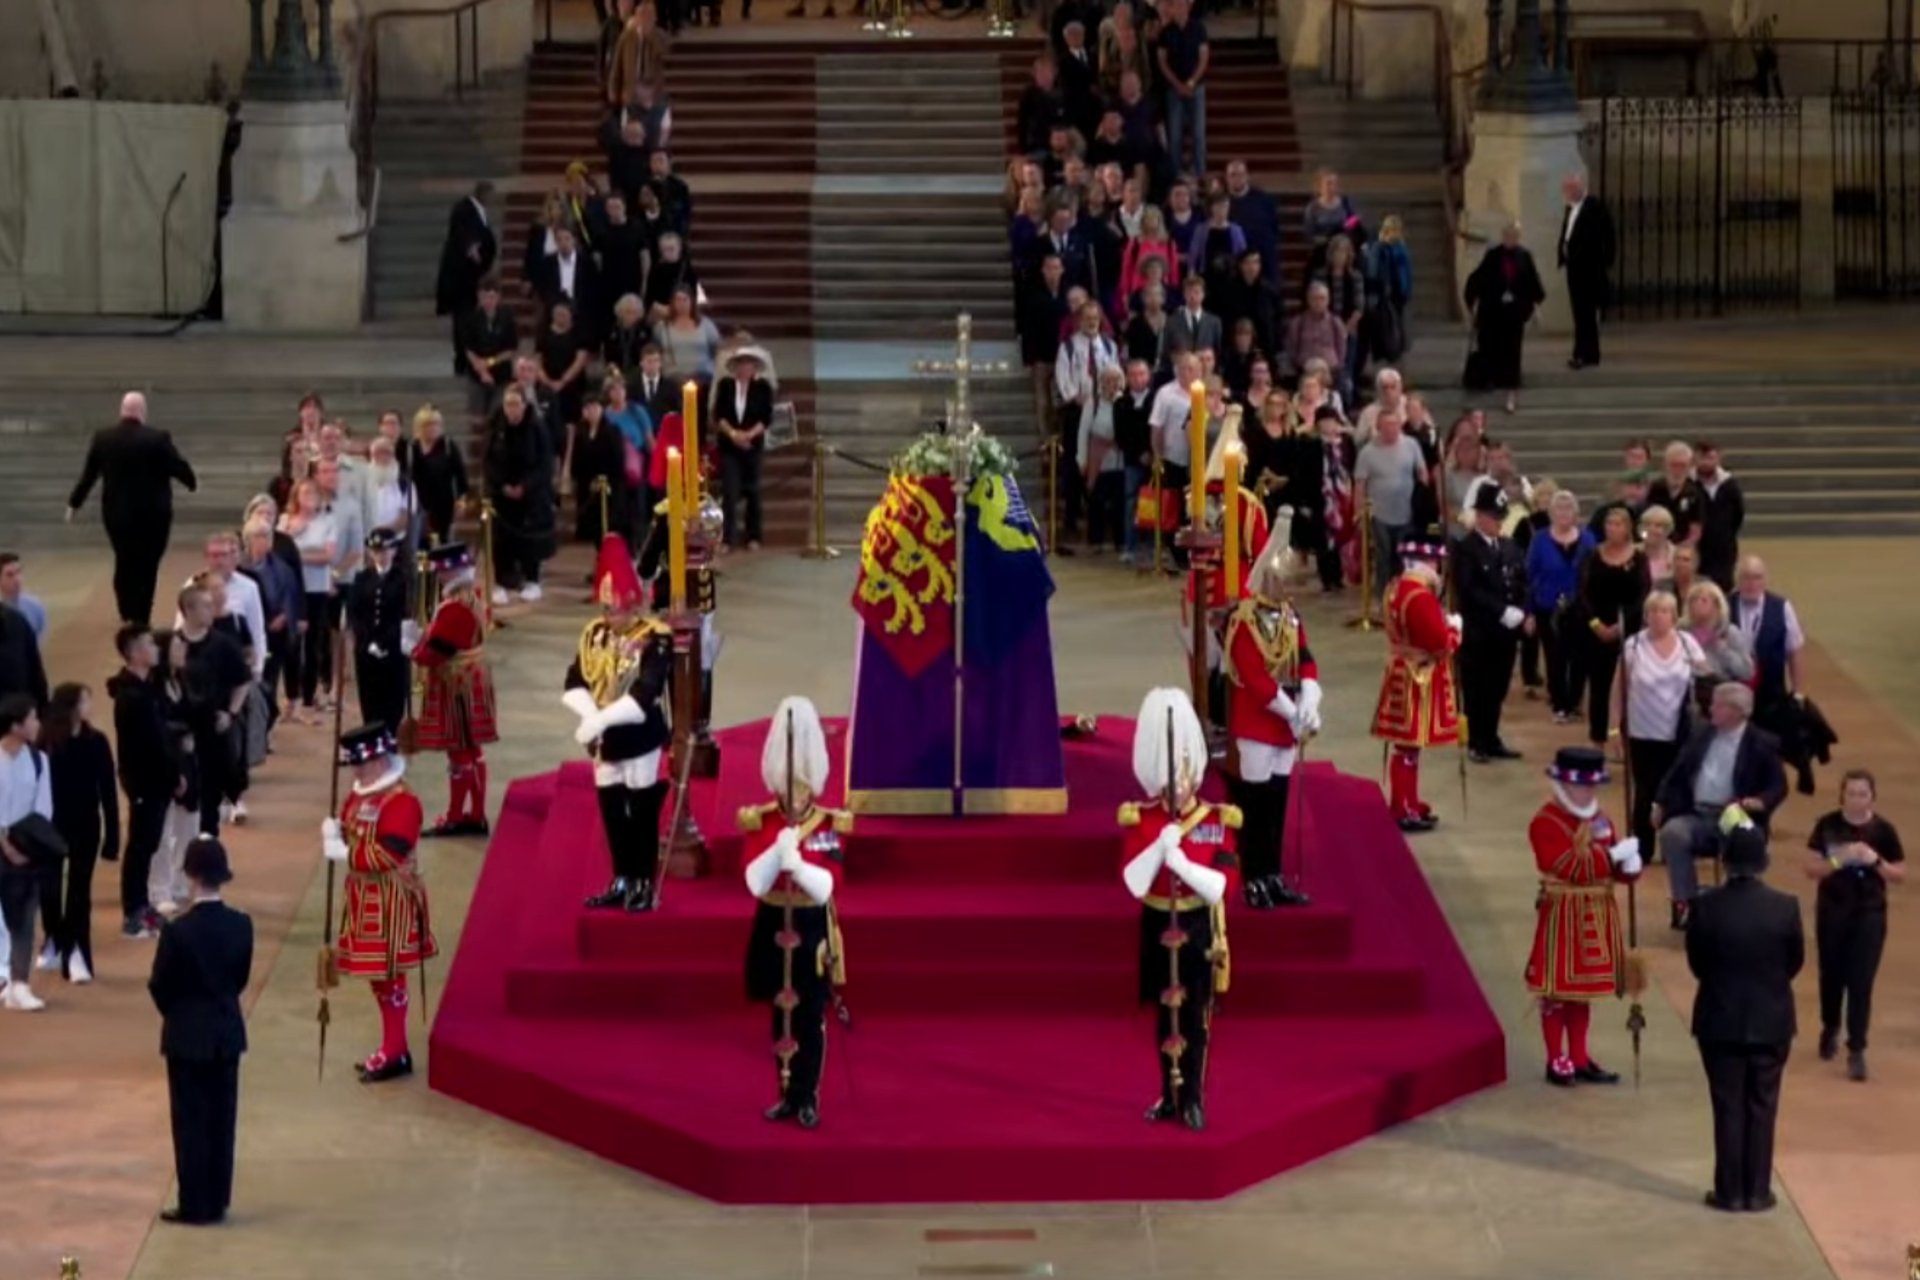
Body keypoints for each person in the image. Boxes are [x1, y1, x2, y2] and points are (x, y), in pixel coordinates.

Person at [1121, 687, 1238, 1132]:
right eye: (1170, 783)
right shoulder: (1142, 817)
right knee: (1163, 1016)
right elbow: (1133, 881)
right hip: (1155, 922)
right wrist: (1157, 850)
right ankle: (1167, 1095)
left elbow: (1221, 885)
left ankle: (1192, 1096)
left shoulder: (1215, 819)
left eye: (1183, 780)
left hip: (1195, 924)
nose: (1178, 789)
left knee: (1195, 1018)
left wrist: (1182, 863)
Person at [739, 698, 851, 1129]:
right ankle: (784, 1092)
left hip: (808, 924)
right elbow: (753, 881)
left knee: (809, 1014)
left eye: (801, 787)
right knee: (779, 1011)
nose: (794, 795)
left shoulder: (828, 825)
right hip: (772, 921)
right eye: (789, 788)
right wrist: (776, 852)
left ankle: (806, 1094)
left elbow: (828, 886)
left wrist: (798, 863)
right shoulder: (760, 820)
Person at [1687, 816, 1802, 1213]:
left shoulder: (1704, 907)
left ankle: (1729, 1192)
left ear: (1724, 860)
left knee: (1728, 1105)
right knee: (1763, 1105)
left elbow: (1697, 963)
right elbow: (1794, 963)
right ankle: (1757, 1191)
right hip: (1771, 1020)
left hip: (1719, 1019)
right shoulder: (1786, 908)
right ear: (1764, 861)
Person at [564, 537, 674, 913]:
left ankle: (643, 880)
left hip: (639, 736)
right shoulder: (594, 634)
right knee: (612, 811)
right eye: (606, 609)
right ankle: (622, 876)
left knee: (641, 811)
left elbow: (645, 693)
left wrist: (598, 720)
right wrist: (589, 718)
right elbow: (575, 680)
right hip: (604, 741)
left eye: (616, 610)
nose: (609, 617)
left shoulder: (655, 637)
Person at [322, 723, 437, 1082]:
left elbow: (391, 853)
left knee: (389, 976)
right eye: (355, 764)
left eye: (364, 763)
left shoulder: (401, 800)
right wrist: (335, 831)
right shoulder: (360, 794)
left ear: (382, 759)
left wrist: (344, 851)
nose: (357, 771)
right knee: (379, 978)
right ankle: (393, 1047)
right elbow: (351, 826)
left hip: (391, 898)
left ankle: (395, 1049)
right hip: (364, 897)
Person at [148, 838, 251, 1225]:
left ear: (190, 876)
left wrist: (178, 1013)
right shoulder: (241, 925)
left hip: (187, 1034)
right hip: (226, 1030)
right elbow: (238, 978)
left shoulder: (178, 933)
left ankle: (195, 1202)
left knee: (190, 1122)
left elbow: (160, 985)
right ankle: (218, 1197)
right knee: (223, 1118)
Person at [1526, 746, 1642, 1086]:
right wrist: (1612, 856)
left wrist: (1629, 867)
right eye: (1583, 786)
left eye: (1592, 787)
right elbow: (1566, 866)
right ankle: (1555, 1057)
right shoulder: (1545, 822)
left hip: (1596, 912)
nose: (1588, 792)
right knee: (1556, 989)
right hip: (1563, 914)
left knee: (1582, 992)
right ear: (1564, 783)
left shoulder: (1599, 818)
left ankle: (1578, 1055)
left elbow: (1611, 864)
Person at [1223, 526, 1322, 907]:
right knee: (1256, 805)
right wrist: (1291, 710)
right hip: (1257, 724)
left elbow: (1306, 658)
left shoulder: (1289, 617)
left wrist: (1310, 698)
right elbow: (1254, 678)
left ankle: (1273, 874)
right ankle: (1253, 877)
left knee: (1278, 805)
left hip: (1285, 726)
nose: (1291, 592)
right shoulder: (1244, 620)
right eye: (1286, 584)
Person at [1655, 682, 1788, 929]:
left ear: (1737, 712)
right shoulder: (1701, 733)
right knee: (1673, 833)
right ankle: (1686, 903)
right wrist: (1661, 803)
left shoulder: (1762, 743)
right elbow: (1677, 772)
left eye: (1718, 705)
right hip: (1698, 814)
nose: (1711, 708)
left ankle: (1735, 908)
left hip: (1737, 816)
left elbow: (1778, 786)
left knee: (1742, 842)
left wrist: (1761, 802)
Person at [66, 392, 200, 626]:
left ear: (122, 410)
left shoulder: (103, 438)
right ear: (142, 411)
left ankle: (126, 611)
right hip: (153, 516)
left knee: (124, 560)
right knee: (148, 565)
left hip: (117, 514)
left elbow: (89, 475)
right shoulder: (157, 438)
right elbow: (176, 466)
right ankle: (141, 615)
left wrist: (74, 503)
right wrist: (191, 482)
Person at [1805, 770, 1904, 1081]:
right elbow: (1812, 868)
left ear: (1872, 797)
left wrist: (1875, 860)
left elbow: (1898, 874)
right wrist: (1840, 860)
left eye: (1863, 794)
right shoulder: (1827, 825)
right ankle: (1830, 1024)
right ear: (1842, 795)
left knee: (1861, 981)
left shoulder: (1884, 831)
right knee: (1831, 975)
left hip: (1869, 913)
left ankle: (1857, 1047)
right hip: (1833, 911)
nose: (1857, 799)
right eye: (1851, 793)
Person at [408, 543, 499, 837]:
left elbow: (438, 651)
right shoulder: (471, 597)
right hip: (471, 679)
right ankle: (474, 813)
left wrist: (413, 649)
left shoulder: (455, 607)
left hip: (457, 683)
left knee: (459, 750)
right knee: (473, 750)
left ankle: (460, 816)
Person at [1372, 535, 1461, 832]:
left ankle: (1408, 800)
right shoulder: (1420, 595)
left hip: (1401, 670)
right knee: (1408, 749)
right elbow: (1439, 643)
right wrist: (1454, 631)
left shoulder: (1395, 587)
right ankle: (1403, 806)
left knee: (1406, 749)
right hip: (1417, 678)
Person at [35, 683, 116, 986]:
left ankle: (77, 952)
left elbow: (107, 790)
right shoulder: (46, 743)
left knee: (79, 892)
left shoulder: (96, 742)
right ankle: (54, 937)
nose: (89, 707)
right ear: (69, 706)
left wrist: (112, 837)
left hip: (86, 825)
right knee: (49, 889)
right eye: (84, 701)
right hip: (51, 826)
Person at [1617, 590, 1709, 855]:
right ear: (1646, 616)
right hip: (1642, 732)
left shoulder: (1687, 643)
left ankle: (1674, 846)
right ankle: (1642, 848)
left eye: (1665, 611)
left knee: (1675, 791)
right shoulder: (1633, 646)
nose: (1659, 617)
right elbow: (1618, 689)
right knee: (1644, 792)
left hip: (1679, 732)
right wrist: (1614, 728)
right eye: (1653, 611)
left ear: (1674, 616)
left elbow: (1706, 679)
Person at [1454, 484, 1531, 762]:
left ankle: (1492, 736)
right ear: (1480, 516)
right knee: (1478, 687)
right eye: (1494, 517)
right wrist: (1500, 610)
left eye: (1500, 518)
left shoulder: (1509, 546)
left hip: (1505, 633)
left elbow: (1521, 579)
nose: (1498, 523)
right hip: (1479, 631)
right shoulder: (1466, 548)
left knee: (1498, 686)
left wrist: (1522, 609)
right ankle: (1477, 740)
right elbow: (1469, 588)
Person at [110, 626, 176, 941]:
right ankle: (132, 913)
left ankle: (141, 905)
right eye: (150, 644)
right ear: (135, 653)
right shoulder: (131, 696)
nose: (156, 648)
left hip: (155, 782)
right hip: (144, 784)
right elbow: (148, 745)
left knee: (147, 845)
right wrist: (172, 776)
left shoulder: (145, 688)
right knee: (140, 846)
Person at [1579, 504, 1649, 750]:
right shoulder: (1592, 556)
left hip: (1627, 629)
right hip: (1596, 630)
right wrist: (1597, 624)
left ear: (1628, 528)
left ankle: (1622, 739)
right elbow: (1583, 593)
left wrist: (1621, 626)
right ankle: (1598, 739)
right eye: (1609, 524)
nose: (1612, 528)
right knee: (1599, 686)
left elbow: (1642, 596)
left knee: (1626, 687)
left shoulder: (1639, 559)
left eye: (1618, 524)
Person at [0, 693, 53, 1010]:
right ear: (16, 725)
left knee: (24, 917)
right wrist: (6, 845)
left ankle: (20, 983)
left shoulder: (38, 760)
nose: (37, 724)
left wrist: (30, 845)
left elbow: (43, 807)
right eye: (32, 718)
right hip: (3, 847)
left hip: (27, 848)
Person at [485, 385, 560, 603]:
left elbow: (545, 465)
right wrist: (502, 485)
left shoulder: (537, 428)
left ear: (524, 405)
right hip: (502, 495)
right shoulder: (496, 427)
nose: (511, 409)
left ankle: (532, 580)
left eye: (516, 404)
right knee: (500, 541)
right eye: (508, 404)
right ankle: (501, 582)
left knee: (530, 541)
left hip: (531, 496)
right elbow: (489, 461)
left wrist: (525, 486)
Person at [1463, 223, 1546, 414]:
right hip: (1492, 311)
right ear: (1503, 236)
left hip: (1514, 312)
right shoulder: (1493, 256)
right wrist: (1472, 302)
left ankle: (1510, 383)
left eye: (1515, 235)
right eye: (1508, 235)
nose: (1511, 239)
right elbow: (1477, 279)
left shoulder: (1524, 256)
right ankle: (1490, 379)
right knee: (1490, 345)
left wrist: (1535, 308)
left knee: (1513, 348)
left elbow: (1532, 283)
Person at [1526, 489, 1592, 725]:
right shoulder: (1540, 539)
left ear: (1576, 513)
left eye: (1568, 508)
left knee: (1580, 657)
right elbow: (1530, 576)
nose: (1563, 513)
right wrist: (1529, 612)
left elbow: (1593, 574)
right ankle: (1560, 704)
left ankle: (1575, 703)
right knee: (1555, 658)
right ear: (1550, 513)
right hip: (1547, 608)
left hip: (1580, 608)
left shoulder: (1587, 539)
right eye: (1558, 508)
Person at [348, 529, 411, 736]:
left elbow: (404, 614)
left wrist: (385, 642)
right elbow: (355, 614)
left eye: (385, 551)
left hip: (393, 648)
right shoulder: (362, 578)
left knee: (393, 697)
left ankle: (390, 736)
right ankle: (373, 738)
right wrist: (368, 642)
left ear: (393, 551)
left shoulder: (403, 579)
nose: (381, 555)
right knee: (370, 696)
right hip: (366, 649)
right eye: (376, 551)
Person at [714, 345, 774, 552]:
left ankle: (753, 536)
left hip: (753, 445)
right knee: (729, 492)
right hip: (729, 446)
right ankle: (727, 539)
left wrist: (748, 435)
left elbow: (766, 418)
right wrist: (733, 435)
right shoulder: (726, 385)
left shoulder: (763, 387)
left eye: (749, 364)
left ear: (755, 367)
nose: (745, 368)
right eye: (741, 364)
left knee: (753, 491)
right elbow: (718, 415)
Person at [436, 182, 497, 372]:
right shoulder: (464, 208)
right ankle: (462, 359)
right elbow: (461, 232)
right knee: (462, 319)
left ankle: (467, 357)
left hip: (470, 276)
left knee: (467, 318)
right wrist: (471, 248)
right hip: (460, 277)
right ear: (483, 194)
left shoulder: (479, 211)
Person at [1557, 172, 1615, 370]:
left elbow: (1608, 235)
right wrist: (1563, 255)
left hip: (1588, 270)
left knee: (1586, 314)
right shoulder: (1570, 208)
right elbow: (1567, 235)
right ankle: (1585, 353)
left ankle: (1584, 354)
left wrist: (1604, 261)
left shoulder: (1594, 207)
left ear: (1581, 188)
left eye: (1571, 188)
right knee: (1580, 314)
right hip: (1574, 269)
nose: (1568, 192)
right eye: (1567, 189)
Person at [1693, 442, 1744, 591]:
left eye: (1710, 458)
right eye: (1702, 458)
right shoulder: (1690, 485)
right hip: (1698, 552)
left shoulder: (1730, 486)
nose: (1706, 462)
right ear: (1695, 459)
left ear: (1719, 458)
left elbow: (1738, 515)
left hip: (1724, 552)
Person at [0, 554, 47, 640]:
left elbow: (38, 641)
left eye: (18, 572)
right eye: (9, 575)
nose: (17, 579)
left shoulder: (35, 606)